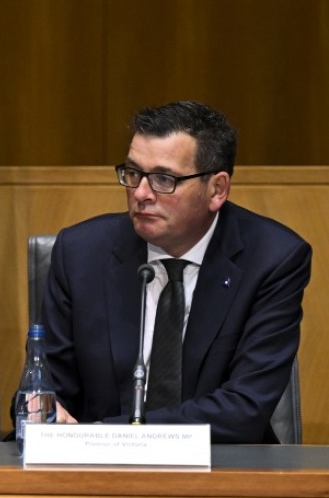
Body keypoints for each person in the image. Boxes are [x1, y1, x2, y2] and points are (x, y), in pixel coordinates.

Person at [41, 101, 310, 443]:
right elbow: (48, 385)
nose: (140, 193)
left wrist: (108, 435)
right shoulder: (80, 253)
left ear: (217, 189)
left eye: (164, 179)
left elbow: (244, 408)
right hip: (94, 474)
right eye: (133, 173)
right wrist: (43, 407)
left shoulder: (272, 259)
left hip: (223, 472)